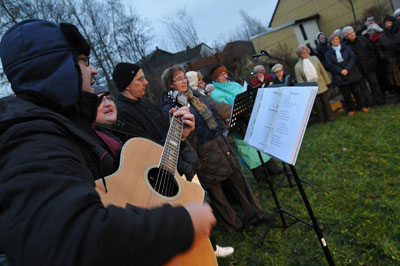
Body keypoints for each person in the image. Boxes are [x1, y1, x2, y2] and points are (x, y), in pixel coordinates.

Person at [0, 19, 216, 266]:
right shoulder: (29, 137)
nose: (93, 71)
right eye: (82, 61)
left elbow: (133, 179)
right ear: (56, 67)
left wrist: (178, 137)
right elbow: (67, 240)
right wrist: (182, 224)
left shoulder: (72, 125)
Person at [93, 84, 234, 258]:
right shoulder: (94, 145)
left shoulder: (123, 127)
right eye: (99, 100)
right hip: (137, 223)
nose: (107, 103)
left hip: (161, 192)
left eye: (108, 97)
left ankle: (208, 247)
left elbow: (152, 153)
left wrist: (179, 136)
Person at [161, 65, 273, 232]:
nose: (183, 81)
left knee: (239, 180)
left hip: (221, 142)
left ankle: (255, 213)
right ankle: (234, 225)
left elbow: (217, 108)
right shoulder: (170, 105)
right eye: (178, 79)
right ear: (170, 84)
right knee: (217, 192)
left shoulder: (196, 94)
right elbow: (180, 133)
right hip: (202, 151)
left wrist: (244, 106)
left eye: (184, 77)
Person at [325, 32, 368, 116]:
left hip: (351, 72)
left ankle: (362, 106)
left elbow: (352, 58)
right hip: (339, 76)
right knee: (346, 94)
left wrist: (347, 69)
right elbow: (329, 64)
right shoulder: (328, 53)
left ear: (340, 40)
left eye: (336, 39)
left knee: (356, 91)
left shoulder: (347, 48)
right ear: (330, 42)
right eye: (333, 40)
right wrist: (340, 70)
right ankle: (351, 109)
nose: (335, 41)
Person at [342, 26, 385, 105]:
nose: (352, 34)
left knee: (374, 84)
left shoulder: (363, 39)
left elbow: (372, 50)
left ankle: (380, 100)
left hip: (369, 66)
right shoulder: (345, 46)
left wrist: (373, 62)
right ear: (345, 36)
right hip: (357, 70)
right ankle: (371, 103)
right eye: (349, 34)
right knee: (363, 87)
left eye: (352, 32)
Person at [294, 45, 335, 123]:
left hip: (321, 84)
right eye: (303, 53)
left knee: (326, 102)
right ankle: (321, 119)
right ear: (299, 55)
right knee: (317, 105)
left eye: (306, 52)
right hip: (311, 88)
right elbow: (300, 80)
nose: (305, 54)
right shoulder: (297, 66)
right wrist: (304, 91)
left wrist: (327, 81)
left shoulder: (314, 59)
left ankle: (330, 116)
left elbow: (322, 70)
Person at [378, 16, 400, 93]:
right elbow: (380, 49)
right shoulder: (382, 37)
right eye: (386, 24)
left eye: (389, 23)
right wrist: (384, 56)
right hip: (392, 59)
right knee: (396, 77)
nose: (388, 25)